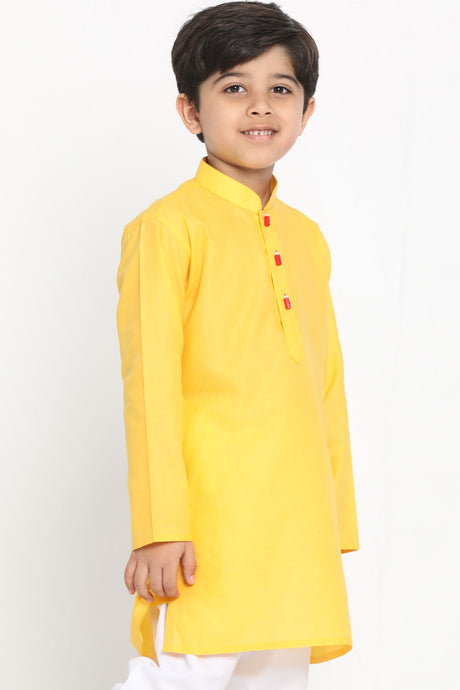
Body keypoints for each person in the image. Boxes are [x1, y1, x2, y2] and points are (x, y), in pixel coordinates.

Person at [113, 2, 360, 688]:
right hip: (208, 526)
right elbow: (150, 386)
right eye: (233, 87)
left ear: (307, 111)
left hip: (296, 524)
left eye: (280, 88)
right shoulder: (168, 229)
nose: (259, 106)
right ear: (190, 111)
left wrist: (334, 518)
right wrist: (159, 525)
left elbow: (326, 384)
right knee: (179, 677)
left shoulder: (306, 237)